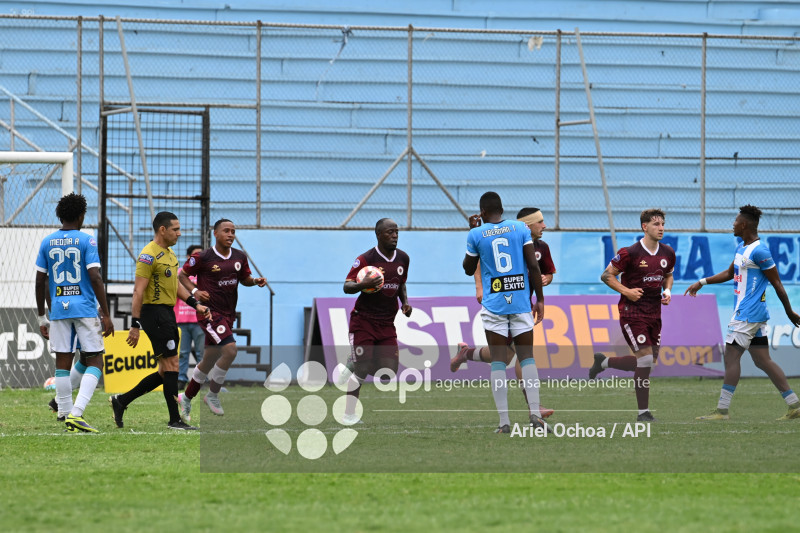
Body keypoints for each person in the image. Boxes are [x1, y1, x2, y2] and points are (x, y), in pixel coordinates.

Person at [686, 205, 800, 421]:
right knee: (762, 361)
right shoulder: (742, 248)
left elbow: (778, 285)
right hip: (751, 314)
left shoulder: (760, 251)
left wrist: (790, 312)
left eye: (736, 221)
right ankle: (794, 405)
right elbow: (730, 273)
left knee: (731, 358)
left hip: (748, 314)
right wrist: (702, 282)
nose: (733, 224)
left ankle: (722, 411)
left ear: (745, 224)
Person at [108, 211, 211, 431]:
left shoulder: (170, 255)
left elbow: (176, 287)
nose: (179, 233)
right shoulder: (148, 254)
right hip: (154, 314)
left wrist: (195, 304)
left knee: (166, 371)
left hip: (167, 313)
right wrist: (135, 324)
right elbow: (138, 291)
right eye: (175, 229)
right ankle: (175, 420)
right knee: (172, 365)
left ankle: (122, 400)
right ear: (162, 230)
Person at [451, 207, 556, 419]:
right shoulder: (512, 237)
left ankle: (466, 353)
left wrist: (546, 281)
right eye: (540, 222)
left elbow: (546, 272)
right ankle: (533, 407)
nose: (544, 225)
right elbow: (479, 260)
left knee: (506, 355)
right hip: (503, 304)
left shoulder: (542, 247)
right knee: (520, 354)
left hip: (522, 305)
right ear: (527, 225)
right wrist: (479, 287)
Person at [35, 192, 114, 432]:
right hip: (85, 308)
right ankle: (76, 413)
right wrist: (106, 314)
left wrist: (42, 316)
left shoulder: (47, 242)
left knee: (62, 361)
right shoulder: (86, 240)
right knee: (96, 361)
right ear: (81, 215)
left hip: (59, 308)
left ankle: (64, 413)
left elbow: (40, 282)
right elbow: (95, 277)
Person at [590, 208, 675, 422]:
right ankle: (643, 413)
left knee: (648, 362)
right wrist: (627, 291)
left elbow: (668, 275)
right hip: (632, 313)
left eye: (663, 224)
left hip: (655, 314)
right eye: (656, 224)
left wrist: (667, 290)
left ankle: (604, 363)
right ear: (644, 227)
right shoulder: (630, 253)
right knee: (645, 360)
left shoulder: (668, 253)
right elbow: (606, 275)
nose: (661, 228)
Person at [177, 220, 266, 420]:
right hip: (209, 313)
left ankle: (187, 397)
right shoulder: (203, 257)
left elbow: (244, 279)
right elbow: (182, 276)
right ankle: (213, 394)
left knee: (208, 359)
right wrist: (195, 291)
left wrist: (255, 281)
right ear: (215, 233)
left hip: (228, 313)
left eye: (233, 231)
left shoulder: (239, 257)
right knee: (230, 350)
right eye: (226, 231)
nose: (230, 234)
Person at [341, 218, 412, 424]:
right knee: (364, 369)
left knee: (388, 374)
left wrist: (405, 303)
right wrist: (363, 284)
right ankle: (349, 415)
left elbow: (401, 284)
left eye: (397, 232)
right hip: (363, 321)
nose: (395, 235)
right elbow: (346, 286)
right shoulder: (365, 259)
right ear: (379, 235)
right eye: (390, 232)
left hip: (387, 324)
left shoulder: (403, 259)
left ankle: (355, 362)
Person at [175, 244, 205, 390]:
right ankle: (181, 379)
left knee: (201, 352)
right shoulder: (180, 273)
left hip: (200, 320)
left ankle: (200, 380)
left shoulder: (205, 274)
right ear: (188, 258)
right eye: (196, 255)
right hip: (181, 320)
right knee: (182, 352)